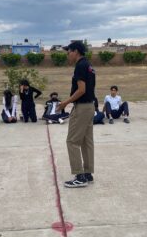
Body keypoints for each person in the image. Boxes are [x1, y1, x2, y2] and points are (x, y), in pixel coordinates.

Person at [57, 41, 96, 188]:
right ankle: (87, 173)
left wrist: (65, 102)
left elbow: (81, 90)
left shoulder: (80, 66)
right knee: (87, 142)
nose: (68, 54)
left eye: (69, 52)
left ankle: (79, 176)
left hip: (82, 108)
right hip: (90, 106)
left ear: (76, 51)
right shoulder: (89, 65)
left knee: (72, 141)